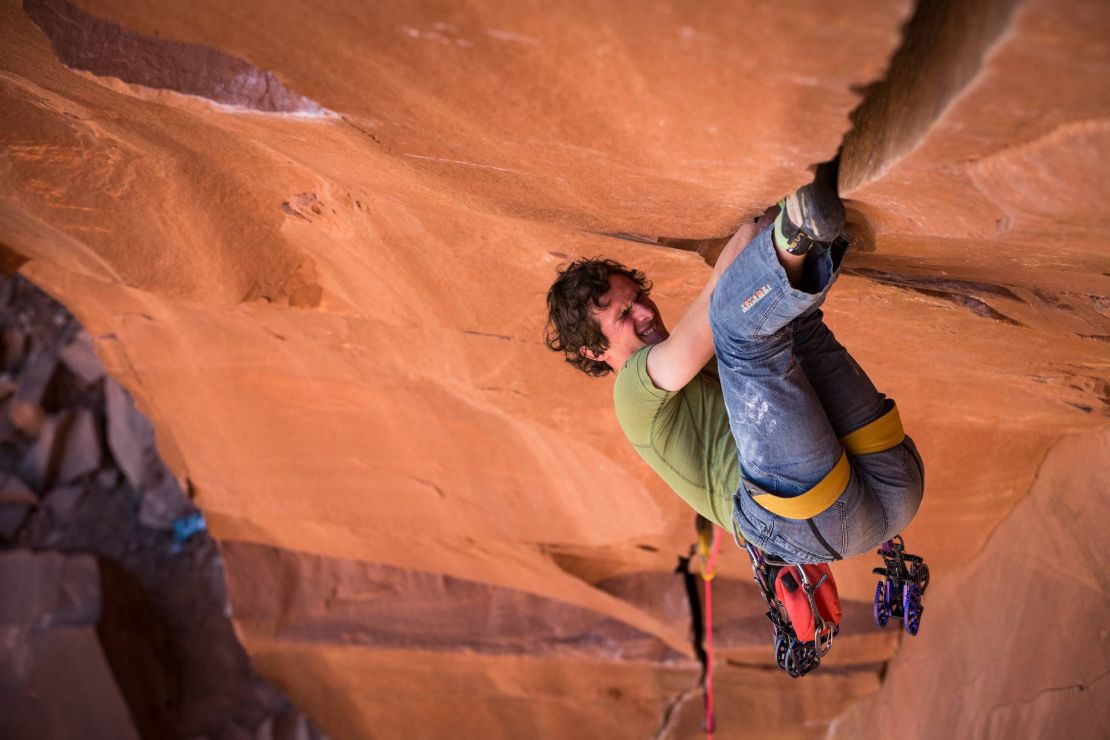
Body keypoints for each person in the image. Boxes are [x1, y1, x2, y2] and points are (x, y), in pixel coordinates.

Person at [545, 162, 923, 563]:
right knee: (738, 322)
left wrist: (761, 224)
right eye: (624, 315)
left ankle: (813, 230)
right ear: (593, 351)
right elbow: (716, 307)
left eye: (638, 296)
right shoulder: (631, 391)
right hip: (809, 520)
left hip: (884, 481)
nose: (645, 311)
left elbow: (726, 294)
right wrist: (762, 229)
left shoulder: (682, 361)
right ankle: (798, 231)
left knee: (779, 317)